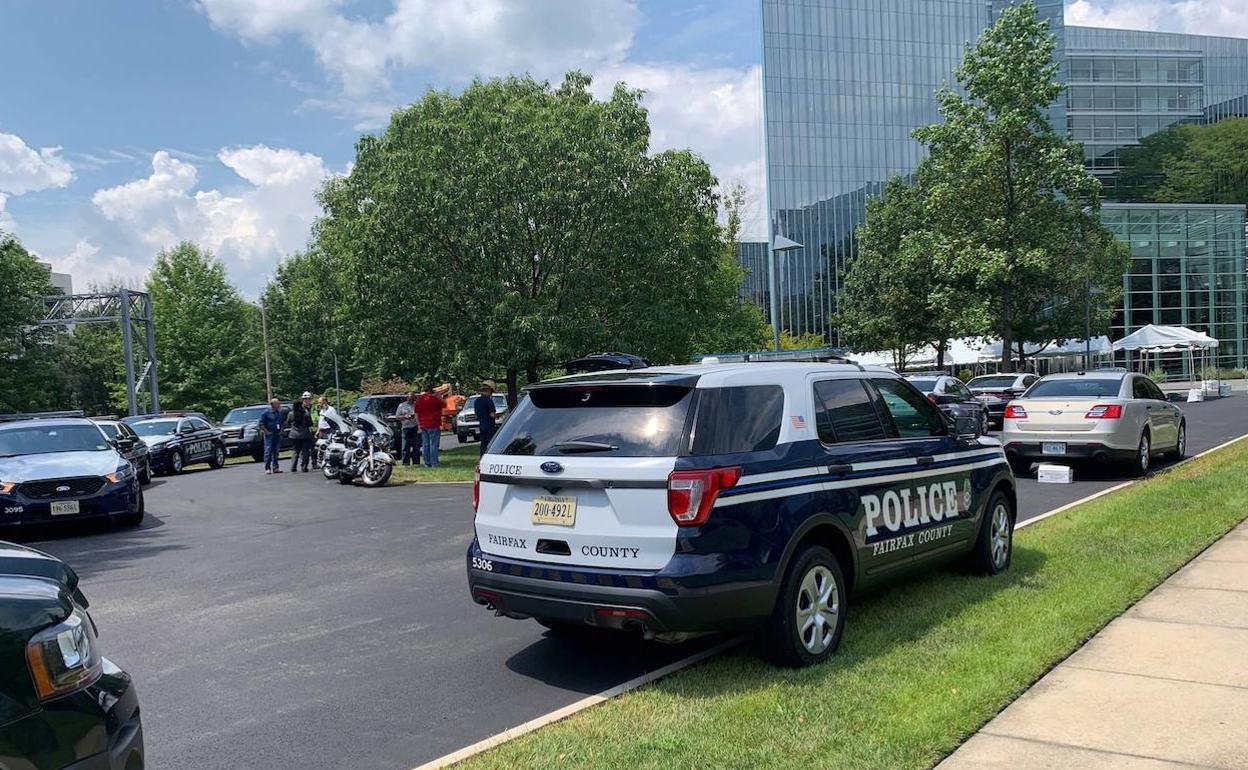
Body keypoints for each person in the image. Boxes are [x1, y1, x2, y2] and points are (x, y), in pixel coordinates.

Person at [415, 383, 446, 468]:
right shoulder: (434, 399)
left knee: (425, 444)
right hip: (433, 423)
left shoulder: (419, 400)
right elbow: (444, 404)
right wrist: (439, 396)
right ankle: (434, 462)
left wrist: (418, 425)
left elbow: (416, 413)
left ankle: (427, 462)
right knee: (434, 444)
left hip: (423, 424)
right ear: (431, 390)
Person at [258, 398, 285, 475]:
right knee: (268, 451)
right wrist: (266, 431)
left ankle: (276, 467)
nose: (279, 405)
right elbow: (261, 424)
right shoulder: (266, 413)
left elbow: (281, 422)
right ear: (272, 404)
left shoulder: (278, 412)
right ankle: (267, 468)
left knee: (276, 451)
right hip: (269, 434)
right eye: (277, 404)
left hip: (277, 434)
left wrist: (281, 430)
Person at [288, 392, 314, 472]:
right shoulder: (305, 413)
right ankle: (304, 466)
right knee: (305, 451)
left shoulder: (291, 413)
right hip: (305, 434)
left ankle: (293, 466)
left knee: (296, 451)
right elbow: (310, 423)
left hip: (294, 434)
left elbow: (288, 422)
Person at [313, 395, 339, 469]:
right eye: (318, 402)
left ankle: (328, 462)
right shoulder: (322, 410)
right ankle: (320, 461)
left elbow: (334, 420)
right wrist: (318, 431)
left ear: (325, 402)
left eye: (320, 402)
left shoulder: (331, 409)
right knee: (320, 447)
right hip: (322, 431)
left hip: (328, 431)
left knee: (328, 446)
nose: (319, 404)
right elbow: (320, 421)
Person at [395, 391, 420, 466]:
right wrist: (405, 417)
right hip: (405, 427)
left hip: (415, 427)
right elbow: (397, 417)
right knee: (405, 446)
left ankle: (416, 462)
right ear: (407, 398)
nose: (411, 400)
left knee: (416, 446)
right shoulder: (402, 406)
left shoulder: (416, 405)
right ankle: (405, 463)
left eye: (412, 398)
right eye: (409, 398)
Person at [475, 380, 499, 456]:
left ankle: (482, 457)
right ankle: (490, 457)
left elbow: (476, 415)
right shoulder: (489, 401)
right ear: (489, 391)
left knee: (483, 444)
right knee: (490, 443)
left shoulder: (477, 401)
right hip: (489, 425)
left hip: (481, 425)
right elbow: (492, 415)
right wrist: (498, 415)